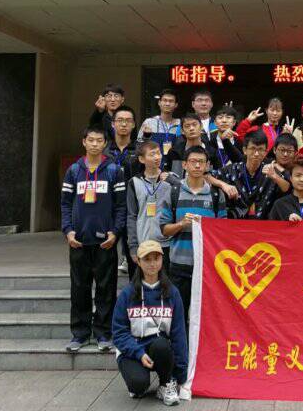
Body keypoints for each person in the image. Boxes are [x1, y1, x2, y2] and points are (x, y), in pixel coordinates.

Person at [60, 125, 126, 353]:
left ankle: (104, 334)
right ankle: (79, 334)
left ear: (105, 143)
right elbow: (65, 204)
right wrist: (68, 231)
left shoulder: (114, 170)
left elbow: (120, 206)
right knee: (79, 289)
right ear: (84, 142)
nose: (95, 144)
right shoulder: (73, 171)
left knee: (106, 291)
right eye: (91, 140)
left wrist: (115, 232)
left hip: (105, 242)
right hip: (78, 241)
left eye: (99, 140)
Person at [112, 240, 187, 405]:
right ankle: (138, 382)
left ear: (162, 260)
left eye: (156, 258)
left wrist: (181, 375)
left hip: (159, 350)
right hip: (133, 349)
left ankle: (165, 384)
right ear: (138, 262)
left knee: (161, 344)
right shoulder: (127, 294)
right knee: (138, 386)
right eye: (147, 259)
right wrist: (138, 353)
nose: (152, 264)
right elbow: (119, 333)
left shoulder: (172, 293)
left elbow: (179, 334)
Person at [158, 146, 226, 324]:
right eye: (193, 161)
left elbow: (223, 231)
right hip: (179, 264)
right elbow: (164, 229)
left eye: (201, 162)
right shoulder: (173, 191)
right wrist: (181, 224)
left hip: (207, 267)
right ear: (184, 165)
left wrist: (206, 225)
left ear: (207, 165)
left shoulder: (216, 194)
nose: (197, 166)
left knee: (206, 318)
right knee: (178, 315)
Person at [211, 130, 281, 219]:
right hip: (235, 222)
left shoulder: (270, 172)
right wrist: (224, 185)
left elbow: (288, 188)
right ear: (245, 150)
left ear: (265, 152)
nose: (256, 153)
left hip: (263, 223)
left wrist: (276, 177)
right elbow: (207, 176)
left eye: (260, 149)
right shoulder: (233, 169)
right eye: (253, 148)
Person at [106, 105, 141, 277]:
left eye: (128, 121)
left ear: (134, 125)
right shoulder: (104, 150)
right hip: (108, 208)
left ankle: (135, 292)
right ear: (113, 124)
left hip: (132, 209)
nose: (124, 124)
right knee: (106, 258)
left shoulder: (140, 151)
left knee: (133, 255)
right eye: (120, 120)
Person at [127, 140, 173, 269]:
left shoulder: (170, 180)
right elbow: (131, 216)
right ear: (142, 159)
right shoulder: (134, 182)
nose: (157, 157)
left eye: (158, 153)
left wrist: (173, 181)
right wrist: (133, 246)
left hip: (166, 243)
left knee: (166, 279)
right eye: (152, 154)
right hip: (143, 243)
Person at [138, 89, 180, 164]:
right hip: (152, 164)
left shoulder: (180, 124)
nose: (167, 103)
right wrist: (146, 137)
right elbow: (139, 145)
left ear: (176, 105)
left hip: (174, 164)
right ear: (159, 102)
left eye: (171, 101)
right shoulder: (149, 122)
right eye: (165, 100)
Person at [208, 104, 244, 168]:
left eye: (228, 117)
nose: (224, 121)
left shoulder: (240, 142)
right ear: (215, 123)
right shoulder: (209, 141)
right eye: (220, 117)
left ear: (234, 122)